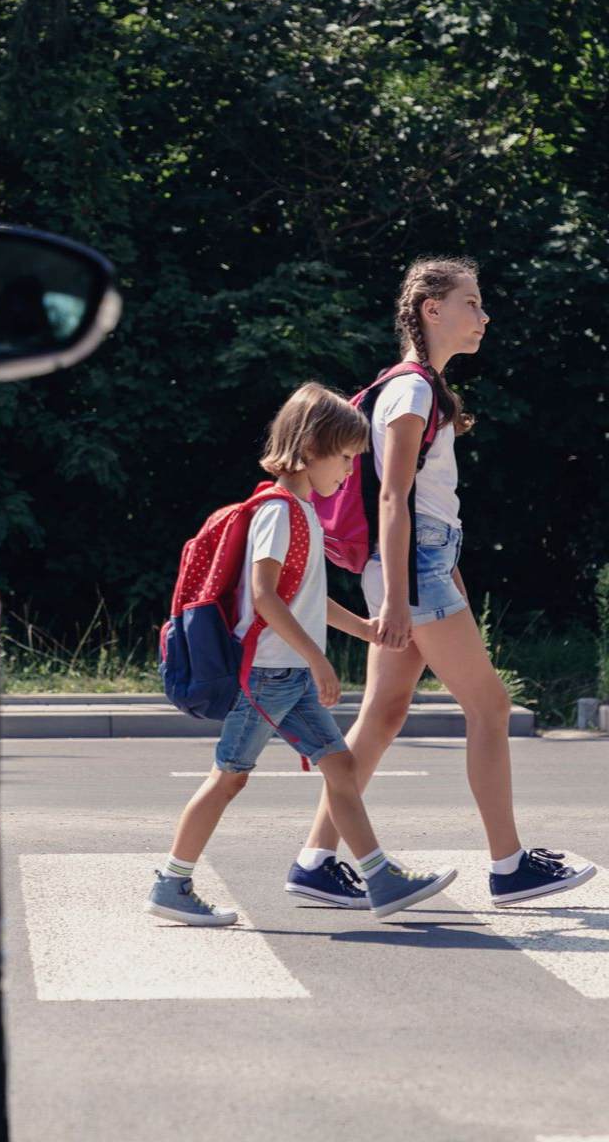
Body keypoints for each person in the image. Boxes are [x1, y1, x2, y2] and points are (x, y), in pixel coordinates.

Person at [287, 258, 596, 909]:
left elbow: (422, 505)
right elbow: (393, 500)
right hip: (412, 570)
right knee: (490, 707)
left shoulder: (419, 390)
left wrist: (434, 576)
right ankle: (509, 865)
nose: (483, 316)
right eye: (471, 303)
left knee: (384, 713)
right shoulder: (413, 392)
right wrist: (402, 598)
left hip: (422, 566)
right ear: (432, 308)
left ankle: (315, 860)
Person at [147, 383, 458, 926]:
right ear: (310, 448)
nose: (347, 473)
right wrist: (318, 660)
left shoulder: (303, 513)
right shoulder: (278, 510)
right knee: (230, 778)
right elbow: (266, 595)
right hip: (267, 675)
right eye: (343, 458)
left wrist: (363, 628)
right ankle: (172, 882)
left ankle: (379, 878)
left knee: (340, 766)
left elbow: (306, 598)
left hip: (284, 674)